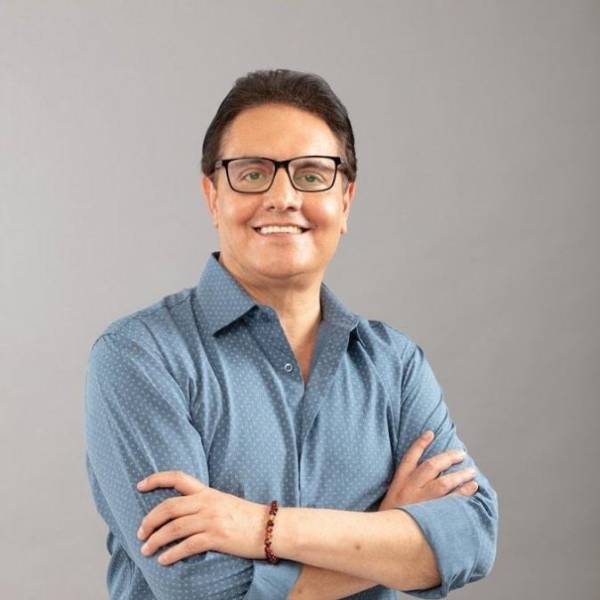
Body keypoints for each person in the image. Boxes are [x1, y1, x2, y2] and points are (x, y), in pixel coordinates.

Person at [84, 68, 498, 600]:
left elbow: (472, 537)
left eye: (311, 174)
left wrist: (261, 527)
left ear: (345, 201)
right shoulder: (139, 356)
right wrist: (389, 537)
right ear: (212, 197)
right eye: (253, 173)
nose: (282, 197)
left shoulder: (395, 364)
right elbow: (197, 587)